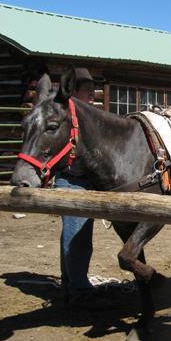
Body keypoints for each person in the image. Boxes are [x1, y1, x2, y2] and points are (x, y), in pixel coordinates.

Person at [54, 68, 97, 304]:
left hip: (84, 180)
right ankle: (78, 288)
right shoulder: (68, 117)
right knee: (76, 236)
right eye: (87, 91)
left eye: (93, 91)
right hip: (71, 179)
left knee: (75, 235)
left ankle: (69, 282)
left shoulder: (89, 116)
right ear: (74, 92)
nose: (92, 95)